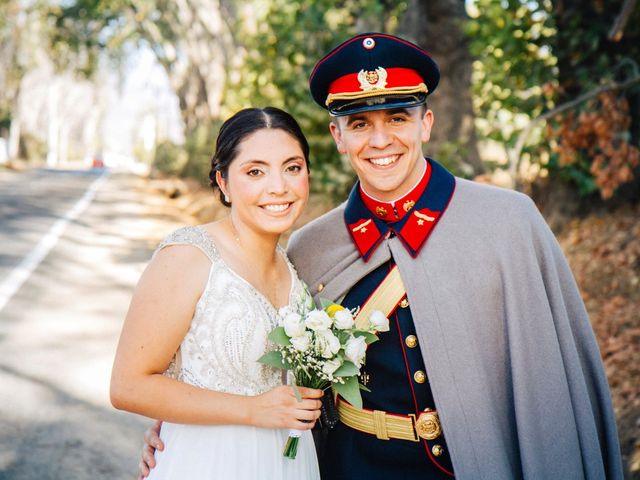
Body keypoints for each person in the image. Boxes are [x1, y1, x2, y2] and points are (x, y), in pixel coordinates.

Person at [139, 33, 623, 479]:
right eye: (359, 123)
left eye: (397, 118)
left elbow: (554, 386)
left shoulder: (508, 223)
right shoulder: (310, 247)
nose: (379, 140)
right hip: (351, 466)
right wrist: (178, 426)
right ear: (338, 136)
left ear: (425, 123)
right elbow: (262, 364)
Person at [110, 107, 322, 479]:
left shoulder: (294, 267)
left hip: (288, 462)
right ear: (223, 182)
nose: (279, 186)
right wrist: (251, 410)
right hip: (210, 462)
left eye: (293, 167)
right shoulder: (189, 256)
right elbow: (128, 386)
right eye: (255, 171)